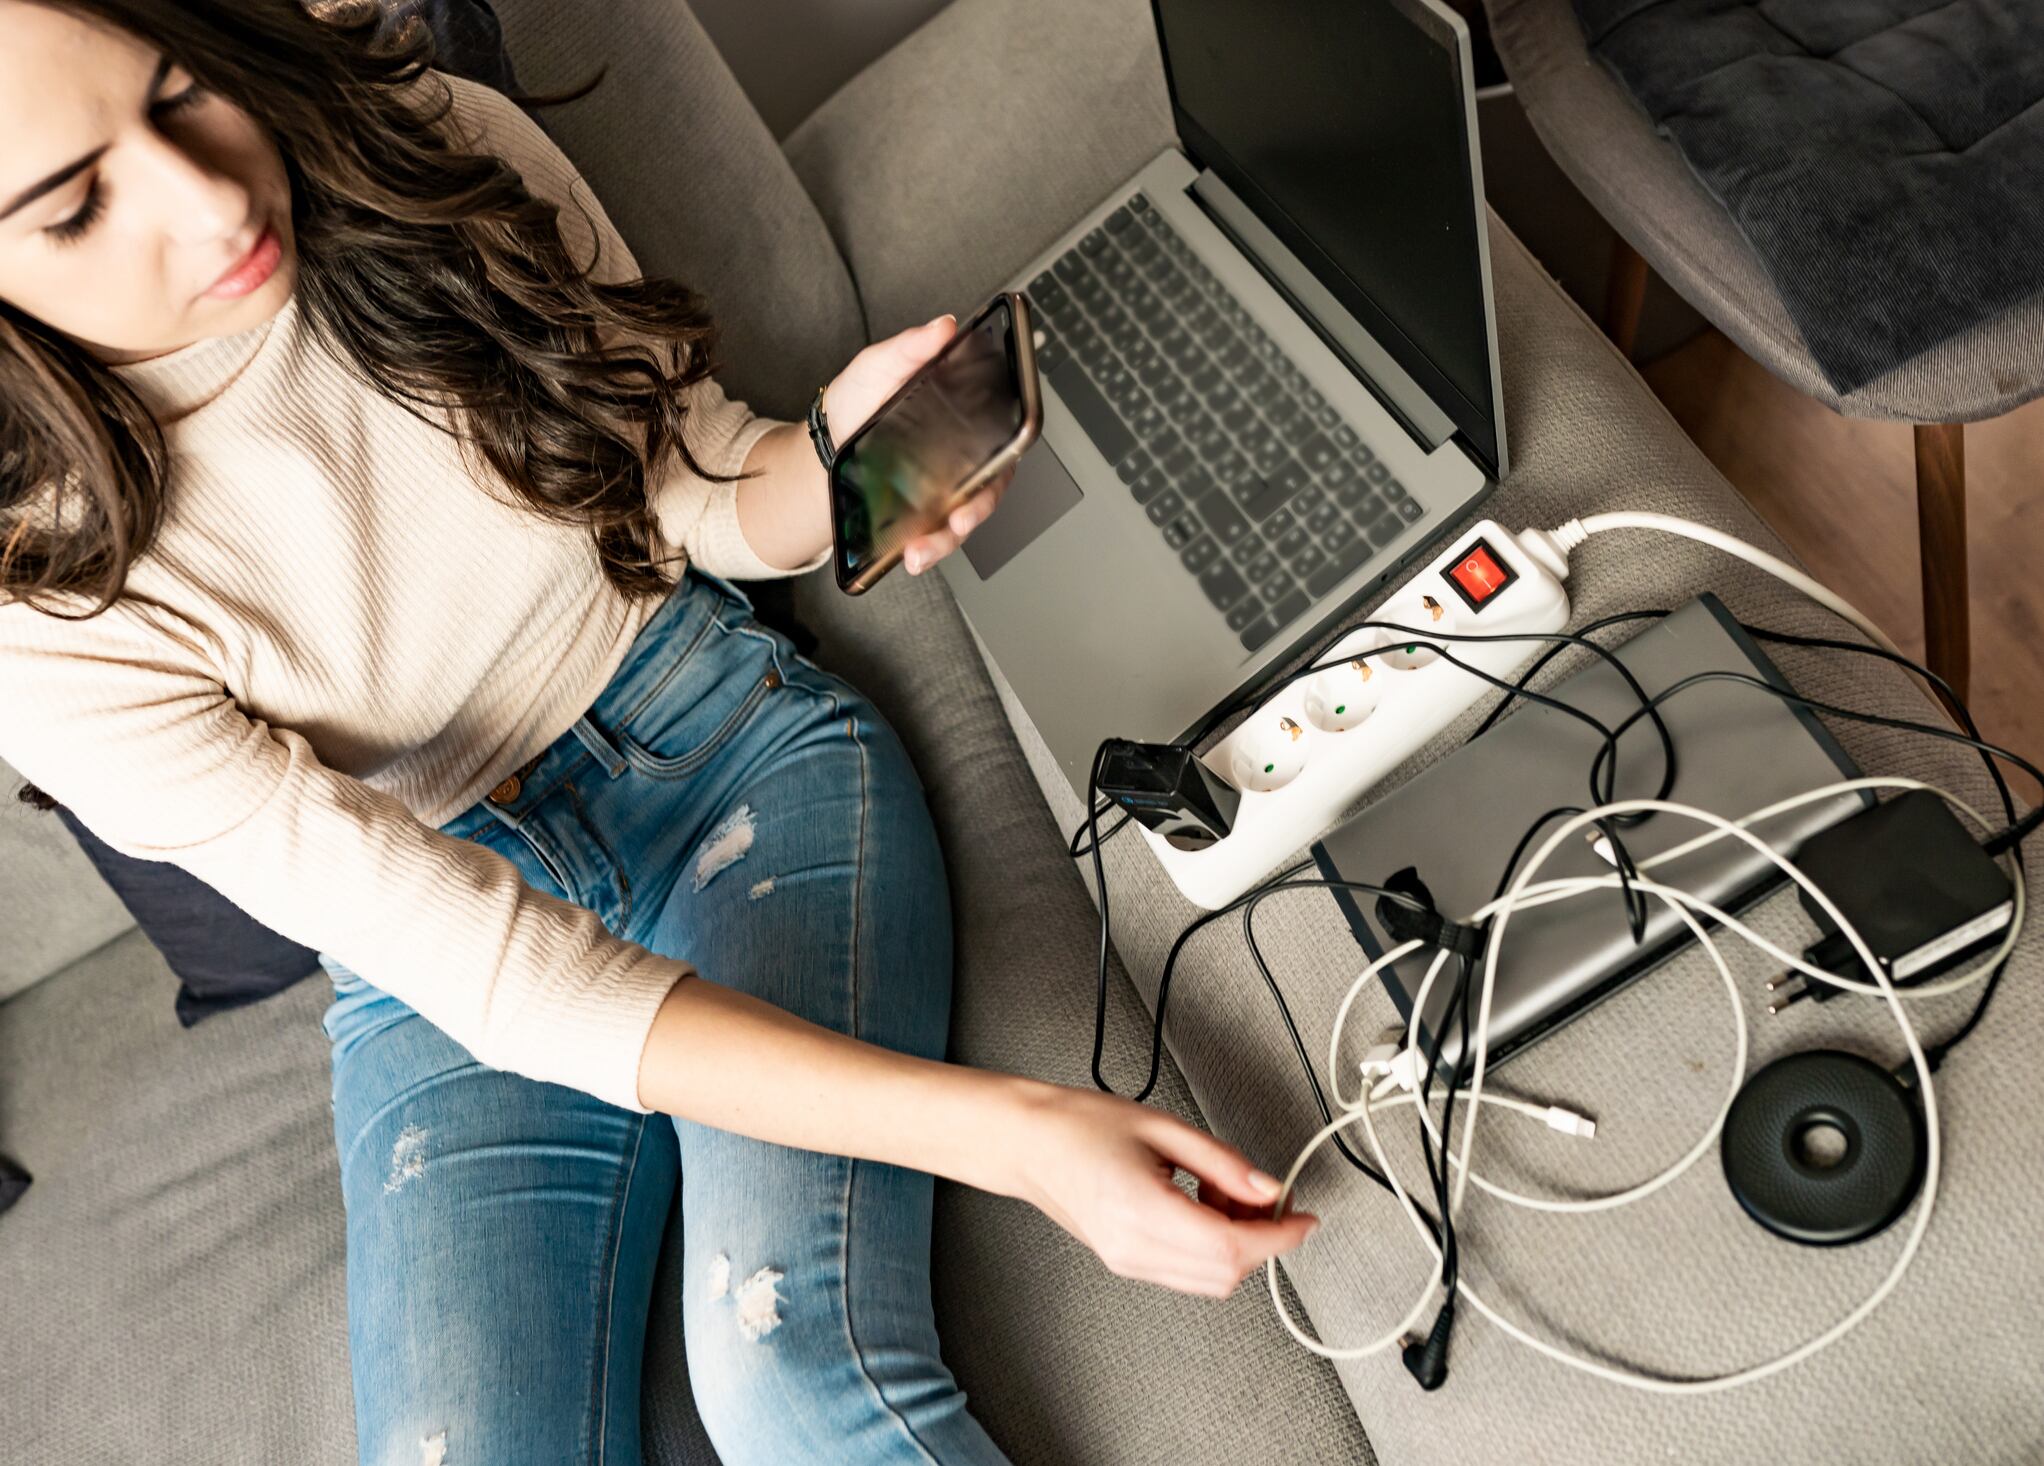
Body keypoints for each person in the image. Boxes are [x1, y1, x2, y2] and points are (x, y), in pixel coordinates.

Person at [0, 3, 1318, 1462]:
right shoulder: (36, 615)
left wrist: (826, 474)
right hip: (433, 942)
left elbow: (681, 483)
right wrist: (1011, 1134)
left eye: (183, 95)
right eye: (73, 207)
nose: (207, 195)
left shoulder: (432, 142)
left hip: (725, 751)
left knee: (792, 1377)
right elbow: (490, 967)